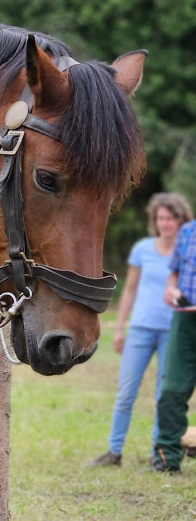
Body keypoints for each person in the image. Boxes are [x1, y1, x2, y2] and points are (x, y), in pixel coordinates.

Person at [91, 192, 192, 467]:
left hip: (174, 331)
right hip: (141, 329)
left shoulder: (188, 249)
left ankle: (158, 452)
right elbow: (130, 290)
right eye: (161, 218)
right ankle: (114, 451)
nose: (166, 223)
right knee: (126, 392)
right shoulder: (143, 249)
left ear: (181, 220)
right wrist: (120, 328)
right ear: (154, 221)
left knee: (165, 395)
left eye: (171, 218)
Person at [152, 203, 196, 472]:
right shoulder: (188, 231)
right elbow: (175, 274)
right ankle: (166, 459)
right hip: (185, 320)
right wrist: (170, 290)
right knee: (172, 392)